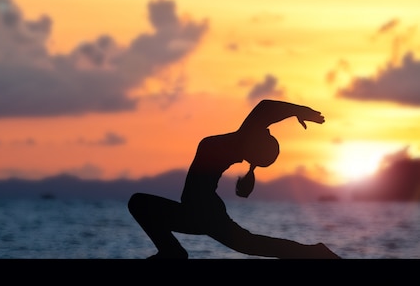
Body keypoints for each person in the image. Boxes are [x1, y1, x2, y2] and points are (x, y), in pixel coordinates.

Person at [128, 99, 341, 259]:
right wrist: (296, 112)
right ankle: (314, 252)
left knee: (138, 202)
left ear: (256, 143)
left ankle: (315, 252)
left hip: (203, 212)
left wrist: (298, 111)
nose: (265, 129)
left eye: (265, 133)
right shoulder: (240, 144)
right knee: (251, 244)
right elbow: (264, 114)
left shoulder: (240, 141)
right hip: (199, 211)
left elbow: (265, 107)